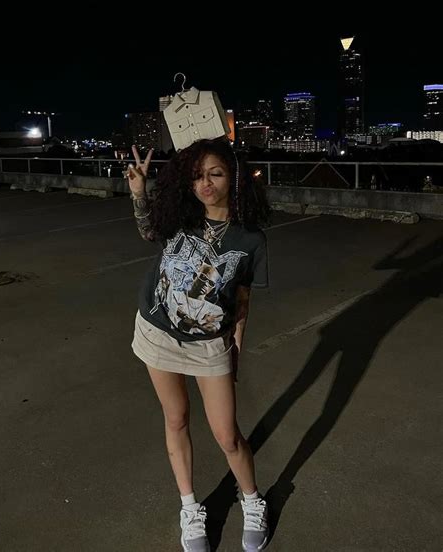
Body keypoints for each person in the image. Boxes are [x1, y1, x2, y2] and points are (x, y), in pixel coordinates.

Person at [126, 137, 272, 551]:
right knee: (176, 420)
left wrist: (237, 349)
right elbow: (148, 230)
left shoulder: (249, 239)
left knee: (227, 435)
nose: (206, 183)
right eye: (198, 175)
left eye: (216, 173)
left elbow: (242, 301)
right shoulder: (180, 216)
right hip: (157, 333)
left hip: (210, 344)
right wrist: (139, 194)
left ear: (234, 178)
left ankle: (252, 499)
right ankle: (190, 508)